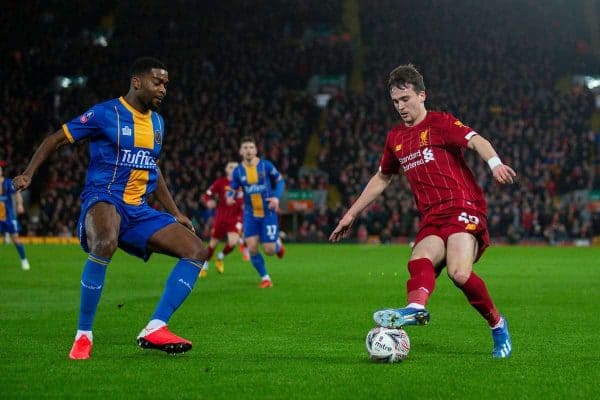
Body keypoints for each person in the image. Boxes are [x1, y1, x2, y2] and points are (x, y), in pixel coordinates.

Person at [12, 57, 207, 360]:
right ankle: (83, 335)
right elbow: (56, 138)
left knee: (197, 250)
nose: (163, 89)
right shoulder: (105, 114)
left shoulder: (158, 123)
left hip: (138, 209)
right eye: (158, 82)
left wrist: (176, 211)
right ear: (137, 81)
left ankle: (155, 327)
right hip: (103, 198)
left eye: (166, 83)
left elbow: (153, 169)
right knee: (105, 242)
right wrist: (29, 173)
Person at [329, 64, 515, 358]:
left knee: (458, 273)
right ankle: (416, 308)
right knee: (419, 258)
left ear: (422, 95)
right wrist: (351, 213)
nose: (400, 107)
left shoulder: (441, 123)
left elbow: (477, 140)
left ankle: (497, 324)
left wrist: (495, 164)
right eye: (395, 102)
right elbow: (382, 177)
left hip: (462, 206)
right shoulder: (396, 139)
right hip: (432, 216)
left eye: (405, 99)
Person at [227, 137, 285, 288]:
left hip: (268, 213)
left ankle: (278, 245)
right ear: (240, 151)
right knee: (251, 247)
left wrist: (276, 198)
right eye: (245, 147)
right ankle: (266, 278)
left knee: (269, 250)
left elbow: (280, 181)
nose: (248, 150)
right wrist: (229, 197)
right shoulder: (238, 171)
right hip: (250, 214)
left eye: (251, 147)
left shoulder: (266, 166)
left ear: (256, 150)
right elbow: (232, 188)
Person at [199, 161, 249, 278]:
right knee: (212, 244)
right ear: (226, 170)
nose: (234, 169)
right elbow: (207, 194)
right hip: (221, 217)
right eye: (231, 167)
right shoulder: (220, 182)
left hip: (236, 218)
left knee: (232, 243)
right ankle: (205, 265)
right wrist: (208, 201)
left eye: (236, 167)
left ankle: (220, 257)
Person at [0, 162, 31, 271]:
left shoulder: (7, 183)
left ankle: (24, 260)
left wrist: (20, 204)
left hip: (8, 217)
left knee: (16, 239)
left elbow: (17, 193)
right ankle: (6, 235)